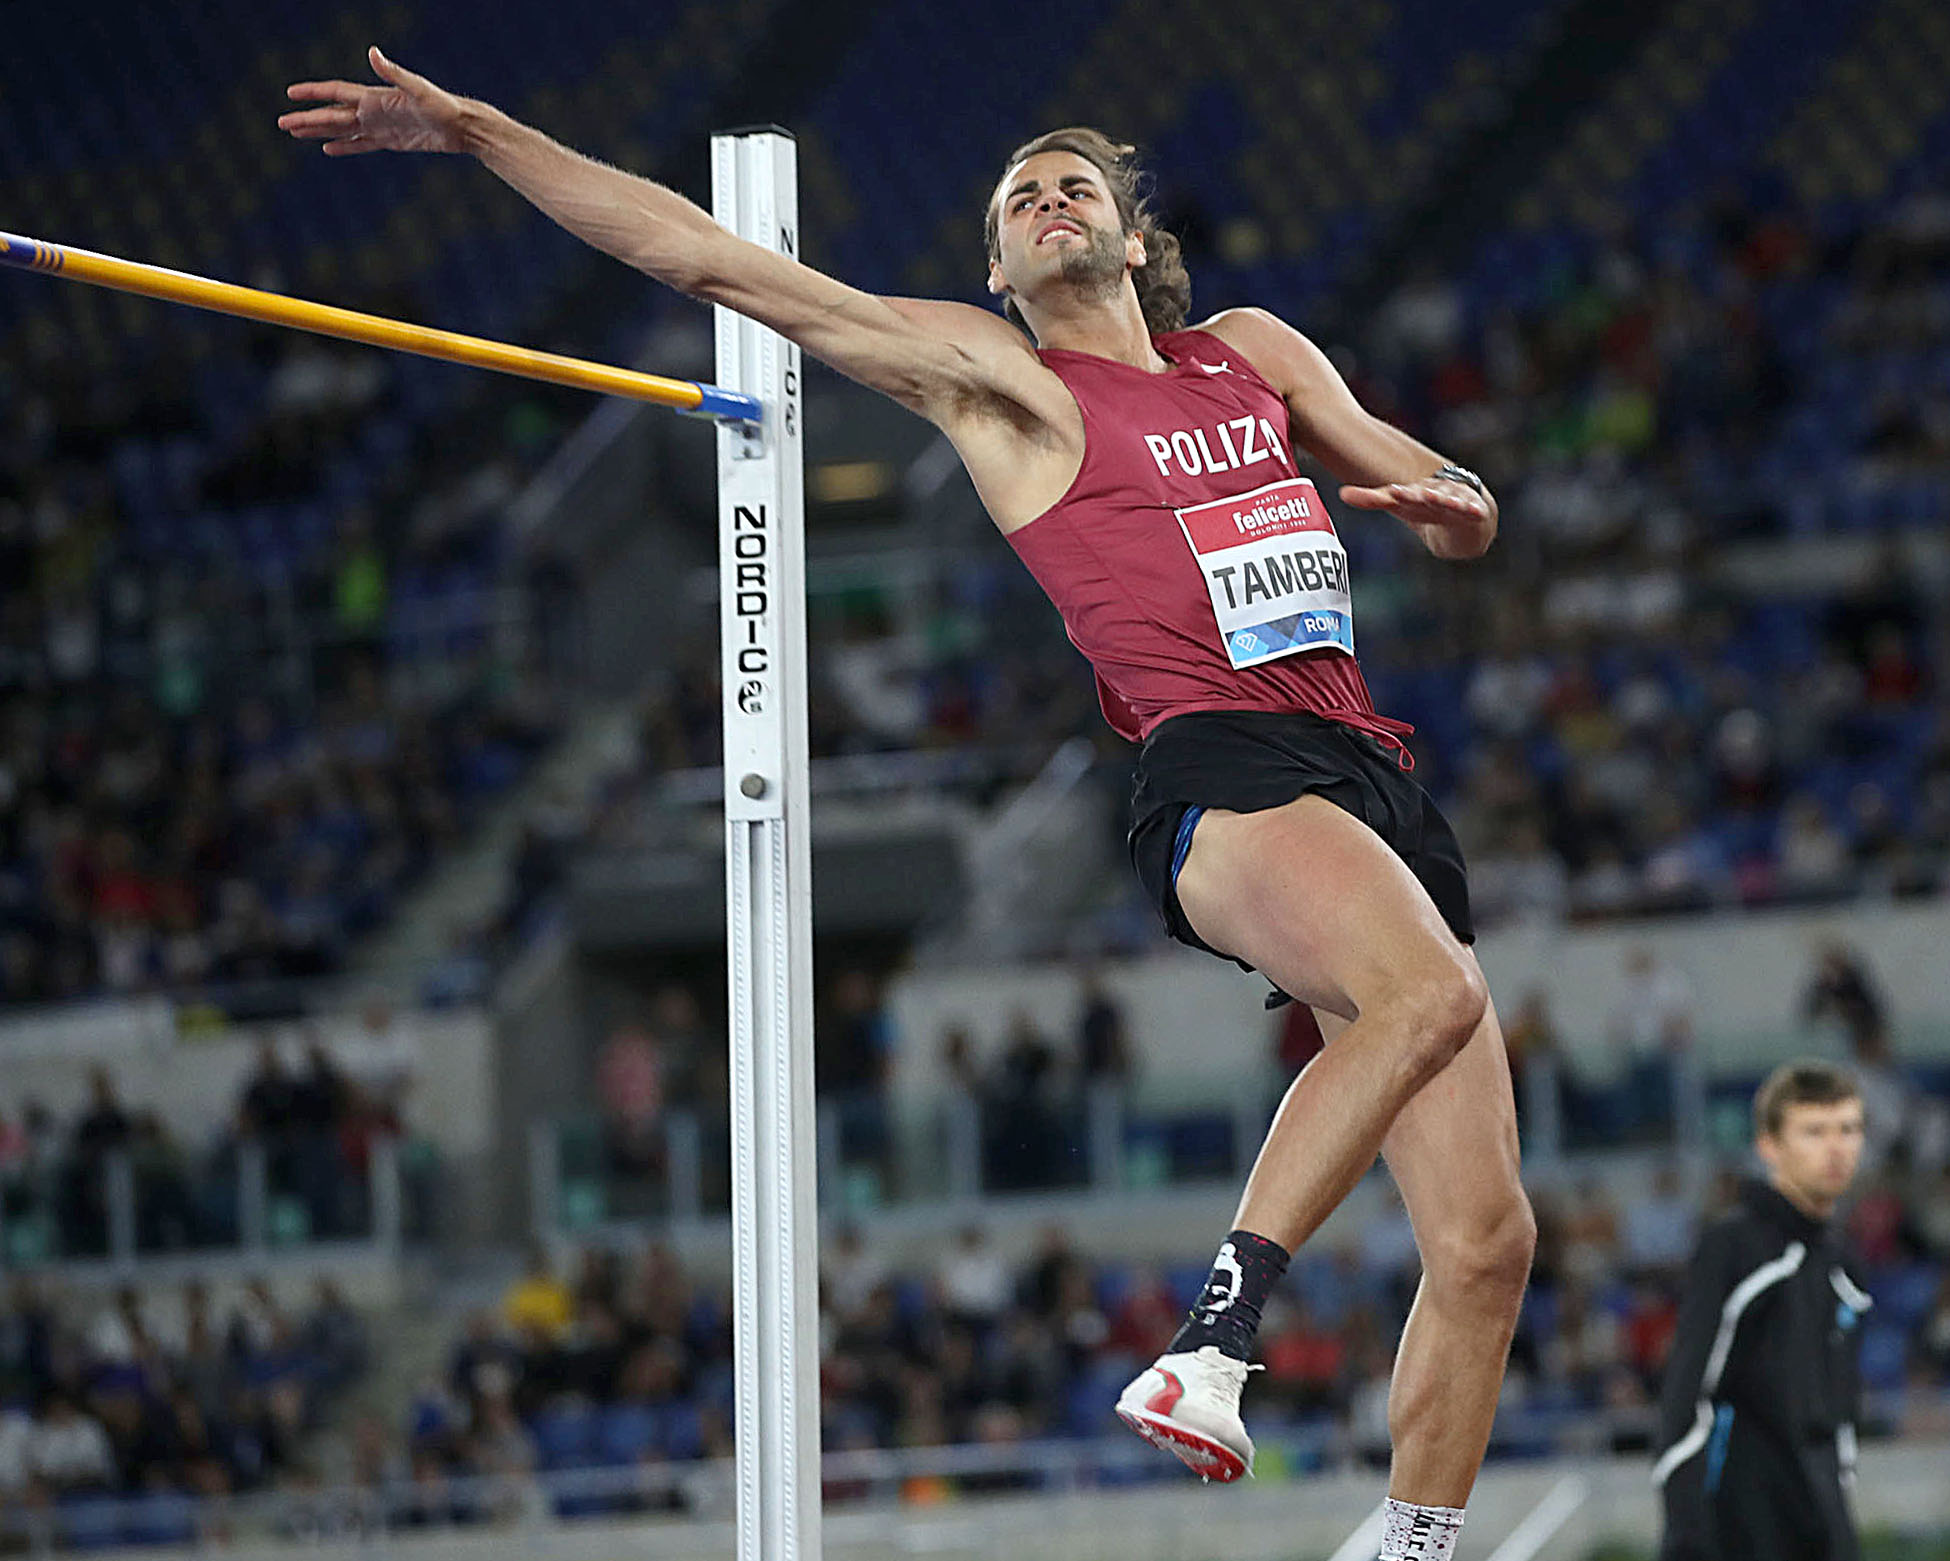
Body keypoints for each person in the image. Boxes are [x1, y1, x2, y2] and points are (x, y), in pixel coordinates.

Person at [279, 57, 1528, 1556]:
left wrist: (1457, 503)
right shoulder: (1001, 382)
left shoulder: (1250, 352)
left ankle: (1410, 1541)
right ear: (996, 271)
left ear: (1134, 236)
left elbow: (1440, 497)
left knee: (1485, 1240)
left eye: (1074, 183)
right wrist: (481, 131)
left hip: (1370, 769)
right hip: (1225, 770)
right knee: (1428, 994)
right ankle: (1212, 1340)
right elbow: (706, 257)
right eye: (1018, 197)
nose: (1048, 198)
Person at [1653, 1061, 1869, 1561]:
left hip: (1822, 1523)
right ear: (1769, 1145)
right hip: (1738, 1524)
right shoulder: (1735, 1247)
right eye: (1814, 1131)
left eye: (1848, 1129)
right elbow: (1687, 1394)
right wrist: (1687, 1535)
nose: (1836, 1148)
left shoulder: (1843, 1263)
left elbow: (1840, 1415)